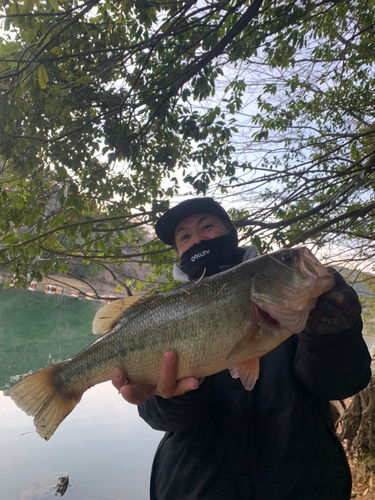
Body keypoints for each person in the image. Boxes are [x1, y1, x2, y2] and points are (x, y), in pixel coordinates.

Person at [111, 197, 371, 500]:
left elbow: (342, 383)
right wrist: (170, 399)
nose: (197, 238)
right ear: (179, 252)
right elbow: (159, 419)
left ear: (230, 232)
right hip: (195, 489)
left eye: (206, 226)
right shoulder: (161, 313)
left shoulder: (300, 306)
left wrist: (334, 332)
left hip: (303, 485)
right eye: (184, 236)